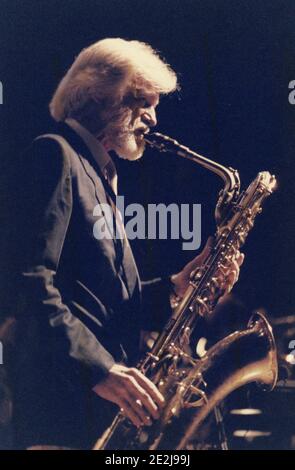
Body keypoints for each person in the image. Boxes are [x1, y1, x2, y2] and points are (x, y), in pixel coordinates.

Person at [8, 38, 243, 449]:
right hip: (61, 413)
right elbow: (25, 283)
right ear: (99, 96)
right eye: (142, 102)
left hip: (90, 415)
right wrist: (99, 369)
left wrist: (177, 286)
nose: (152, 120)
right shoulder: (55, 154)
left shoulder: (98, 175)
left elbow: (98, 302)